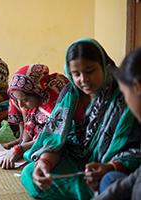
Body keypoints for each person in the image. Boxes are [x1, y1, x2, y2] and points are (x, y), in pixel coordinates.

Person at [20, 38, 141, 200]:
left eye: (90, 70)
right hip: (75, 160)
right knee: (29, 173)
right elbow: (55, 140)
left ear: (104, 66)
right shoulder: (69, 94)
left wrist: (111, 166)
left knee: (110, 182)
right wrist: (45, 163)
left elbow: (133, 147)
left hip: (108, 167)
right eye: (76, 74)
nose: (83, 79)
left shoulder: (124, 96)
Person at [93, 47, 141, 200]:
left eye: (125, 93)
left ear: (137, 88)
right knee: (110, 179)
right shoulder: (71, 96)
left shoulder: (116, 104)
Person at [0, 64, 69, 169]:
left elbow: (52, 136)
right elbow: (29, 121)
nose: (21, 105)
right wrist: (22, 143)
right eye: (19, 100)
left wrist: (20, 149)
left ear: (38, 92)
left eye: (24, 100)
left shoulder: (54, 99)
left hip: (60, 136)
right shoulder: (31, 96)